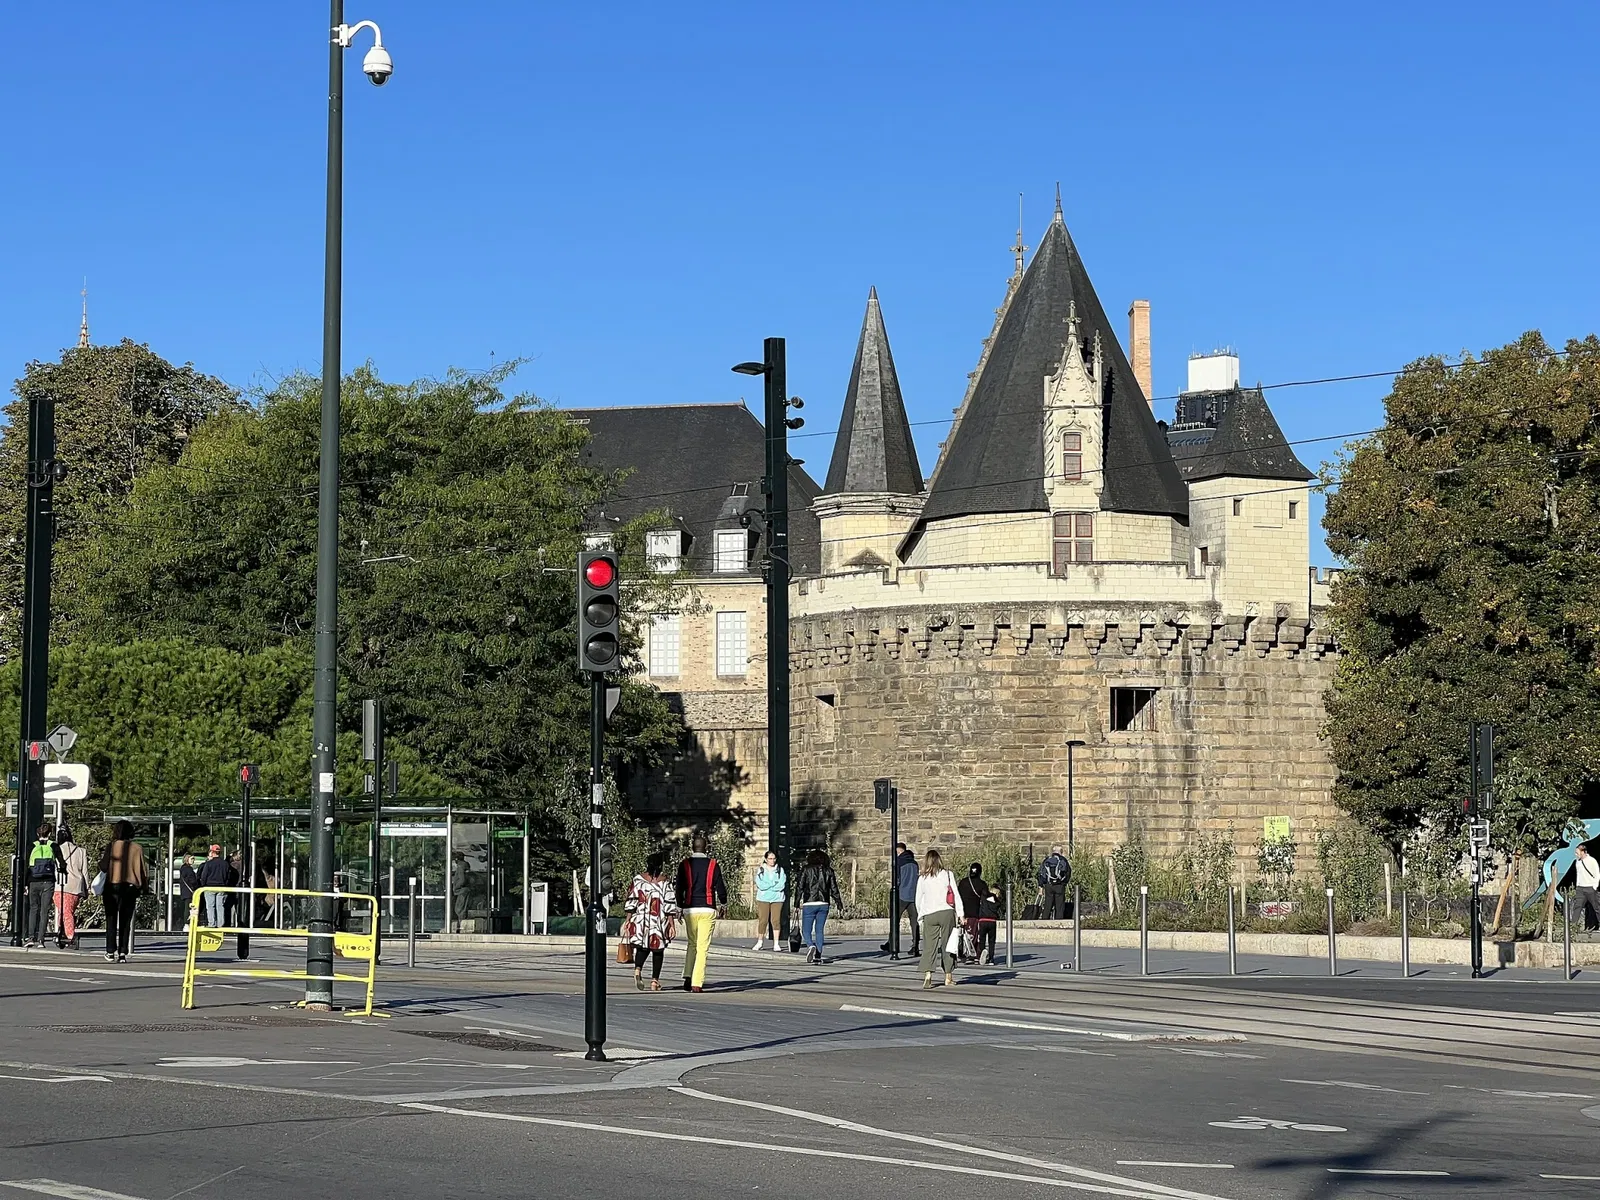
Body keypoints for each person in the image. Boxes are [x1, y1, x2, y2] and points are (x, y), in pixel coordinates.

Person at [674, 832, 727, 993]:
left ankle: (688, 975)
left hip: (690, 908)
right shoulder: (713, 865)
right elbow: (720, 887)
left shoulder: (684, 865)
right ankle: (697, 983)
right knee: (703, 947)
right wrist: (724, 903)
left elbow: (679, 888)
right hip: (707, 907)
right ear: (707, 848)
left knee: (692, 944)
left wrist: (679, 906)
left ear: (692, 847)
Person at [622, 853, 680, 991]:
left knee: (643, 947)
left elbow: (631, 901)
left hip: (641, 919)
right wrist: (671, 924)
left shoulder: (638, 880)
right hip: (658, 920)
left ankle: (637, 970)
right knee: (658, 950)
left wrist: (628, 920)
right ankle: (655, 981)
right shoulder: (665, 881)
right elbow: (669, 904)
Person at [915, 849, 966, 989]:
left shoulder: (922, 879)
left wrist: (921, 917)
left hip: (929, 914)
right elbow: (956, 895)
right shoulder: (948, 875)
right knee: (948, 945)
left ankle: (928, 975)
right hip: (946, 913)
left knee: (929, 946)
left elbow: (918, 900)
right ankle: (948, 976)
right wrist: (961, 914)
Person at [102, 820, 147, 963]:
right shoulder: (137, 848)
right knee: (125, 921)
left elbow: (103, 866)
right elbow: (143, 871)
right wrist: (144, 887)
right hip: (130, 888)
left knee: (111, 919)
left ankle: (110, 951)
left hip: (112, 886)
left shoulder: (111, 846)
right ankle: (122, 953)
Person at [794, 849, 845, 965]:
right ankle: (818, 955)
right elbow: (834, 889)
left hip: (809, 903)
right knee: (819, 930)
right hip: (824, 903)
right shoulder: (829, 871)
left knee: (806, 930)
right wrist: (839, 903)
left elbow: (800, 887)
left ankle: (810, 945)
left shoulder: (806, 870)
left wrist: (796, 903)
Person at [880, 842, 920, 956]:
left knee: (895, 921)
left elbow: (897, 880)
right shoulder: (915, 864)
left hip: (901, 895)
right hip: (913, 896)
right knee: (914, 922)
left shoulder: (899, 862)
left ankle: (892, 944)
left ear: (899, 851)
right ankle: (915, 946)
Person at [54, 827, 90, 950]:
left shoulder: (57, 849)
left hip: (60, 885)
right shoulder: (81, 851)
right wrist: (87, 888)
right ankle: (63, 933)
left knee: (64, 912)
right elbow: (85, 872)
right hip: (76, 887)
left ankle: (69, 935)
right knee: (68, 911)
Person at [958, 863, 1000, 965]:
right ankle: (973, 955)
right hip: (975, 913)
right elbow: (987, 898)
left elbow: (958, 896)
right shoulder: (982, 884)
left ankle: (964, 954)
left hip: (962, 913)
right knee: (974, 935)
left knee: (964, 934)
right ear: (980, 872)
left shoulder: (963, 882)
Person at [24, 823, 56, 949]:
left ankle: (30, 937)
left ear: (38, 834)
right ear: (50, 833)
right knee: (44, 911)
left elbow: (27, 866)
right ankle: (41, 940)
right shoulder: (53, 845)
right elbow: (61, 861)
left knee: (33, 909)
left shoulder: (32, 846)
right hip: (48, 881)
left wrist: (26, 883)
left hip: (33, 880)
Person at [752, 851, 786, 950]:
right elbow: (760, 885)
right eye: (770, 859)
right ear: (766, 859)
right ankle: (760, 941)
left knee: (775, 920)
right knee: (763, 920)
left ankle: (776, 943)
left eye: (774, 858)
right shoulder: (761, 870)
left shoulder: (780, 870)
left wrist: (770, 885)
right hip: (763, 898)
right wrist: (772, 884)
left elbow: (781, 885)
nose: (772, 861)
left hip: (777, 898)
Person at [196, 844, 231, 928]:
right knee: (220, 906)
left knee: (210, 906)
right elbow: (228, 876)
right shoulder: (225, 864)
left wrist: (203, 885)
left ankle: (212, 924)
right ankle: (220, 924)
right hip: (221, 887)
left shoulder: (209, 864)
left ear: (212, 852)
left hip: (209, 887)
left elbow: (204, 876)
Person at [1037, 844, 1072, 920]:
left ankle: (1044, 920)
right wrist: (1064, 883)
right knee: (1059, 906)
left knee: (1047, 904)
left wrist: (1041, 886)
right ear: (1061, 852)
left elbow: (1041, 874)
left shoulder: (1047, 860)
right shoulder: (1063, 860)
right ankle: (1058, 921)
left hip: (1048, 885)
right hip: (1059, 885)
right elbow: (1068, 873)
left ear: (1053, 851)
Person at [1574, 843, 1600, 935]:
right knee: (1577, 907)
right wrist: (1578, 886)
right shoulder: (1578, 862)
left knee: (1597, 907)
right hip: (1580, 888)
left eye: (1577, 852)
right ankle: (1573, 927)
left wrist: (1594, 886)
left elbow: (1597, 873)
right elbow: (1579, 874)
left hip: (1590, 887)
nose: (1576, 854)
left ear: (1583, 852)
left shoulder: (1592, 861)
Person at [177, 854, 200, 930]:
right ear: (187, 859)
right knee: (189, 908)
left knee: (187, 907)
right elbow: (192, 880)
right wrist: (196, 885)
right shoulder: (189, 869)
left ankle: (187, 924)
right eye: (192, 858)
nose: (193, 860)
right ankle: (187, 923)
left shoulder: (182, 869)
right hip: (190, 891)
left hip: (184, 891)